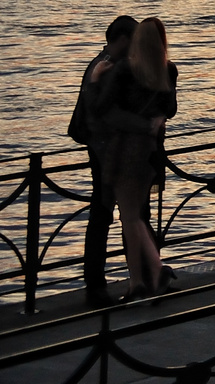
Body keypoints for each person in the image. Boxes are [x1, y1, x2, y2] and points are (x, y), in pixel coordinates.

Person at [92, 16, 178, 298]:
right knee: (136, 213)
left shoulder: (126, 70)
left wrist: (95, 80)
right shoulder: (169, 70)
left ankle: (149, 274)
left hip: (125, 149)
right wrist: (156, 120)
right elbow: (171, 108)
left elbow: (102, 108)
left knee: (131, 217)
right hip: (152, 151)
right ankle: (143, 280)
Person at [69, 15, 141, 307]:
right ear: (123, 39)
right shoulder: (106, 68)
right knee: (107, 215)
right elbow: (99, 113)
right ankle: (101, 285)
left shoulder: (101, 64)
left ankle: (113, 282)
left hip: (105, 149)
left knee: (110, 216)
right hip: (107, 151)